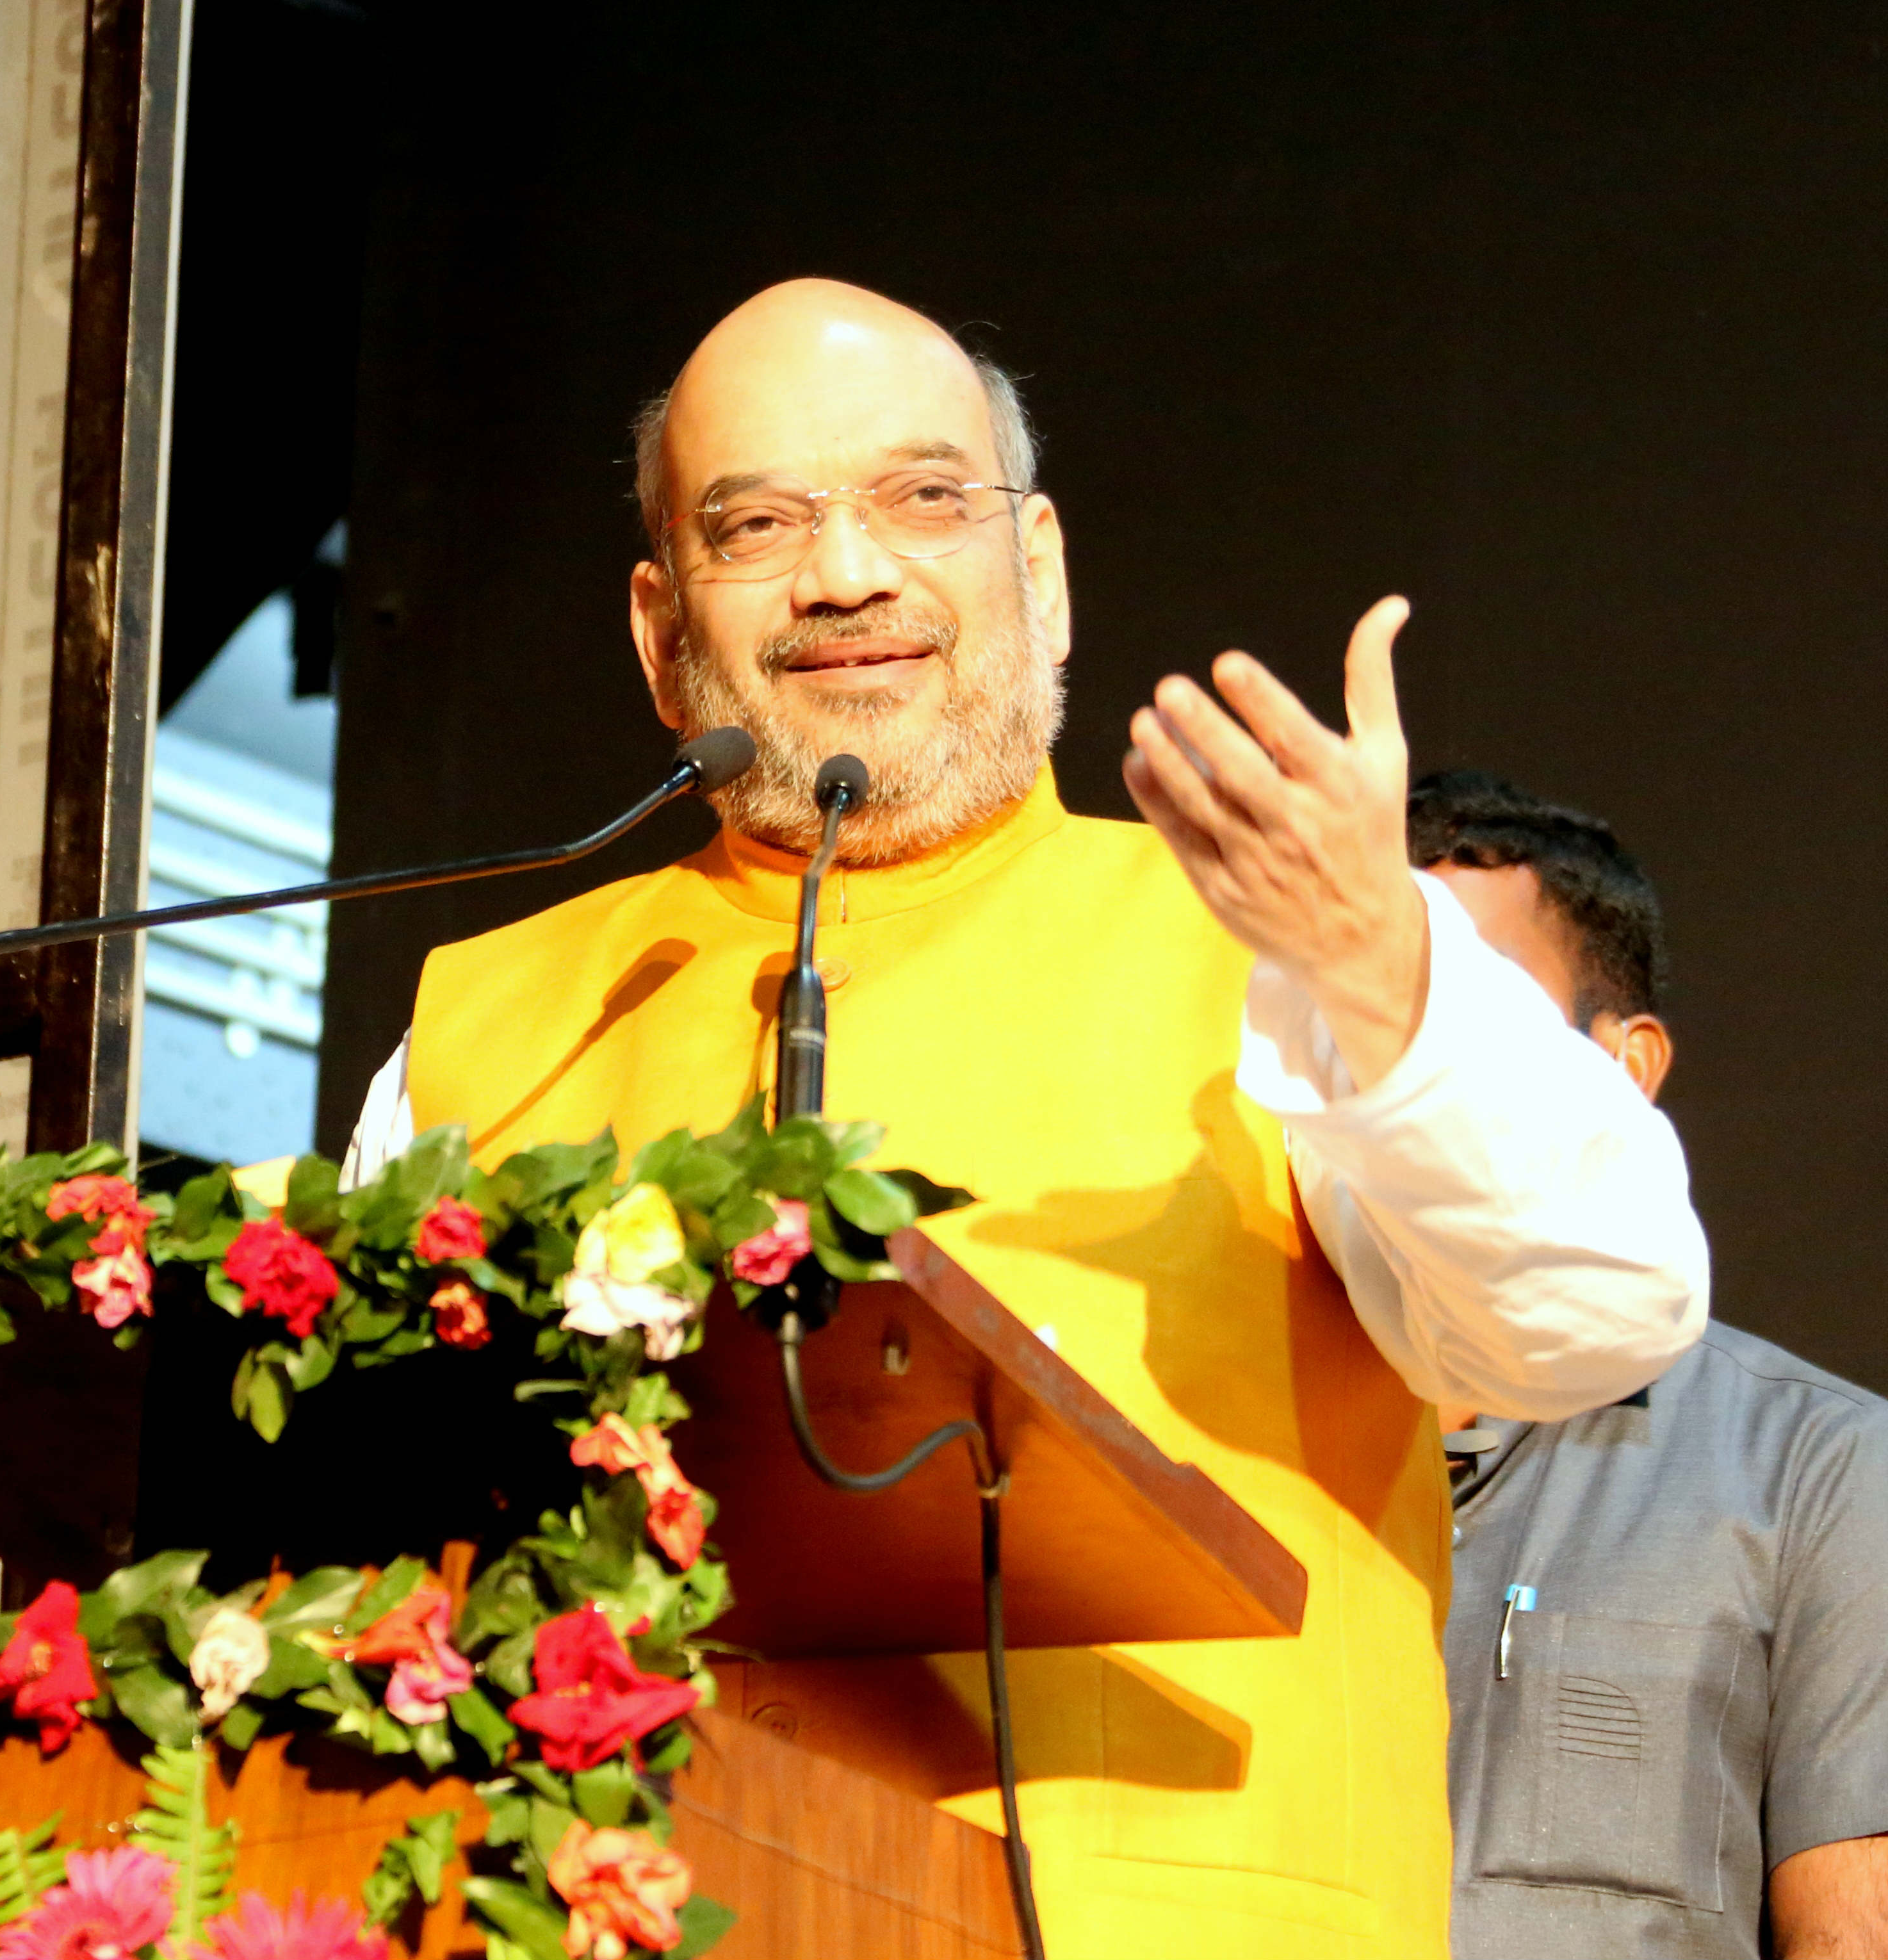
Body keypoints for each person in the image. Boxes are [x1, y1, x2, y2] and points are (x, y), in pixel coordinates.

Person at [338, 280, 1708, 1957]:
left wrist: (1388, 968)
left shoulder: (1278, 957)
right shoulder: (496, 1026)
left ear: (1040, 571)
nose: (846, 571)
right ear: (659, 627)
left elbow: (1592, 1310)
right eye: (758, 522)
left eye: (924, 499)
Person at [1413, 769, 1888, 1960]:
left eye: (1470, 1010)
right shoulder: (1225, 1436)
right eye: (1364, 1014)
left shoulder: (1817, 1467)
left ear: (1626, 1068)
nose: (1402, 1066)